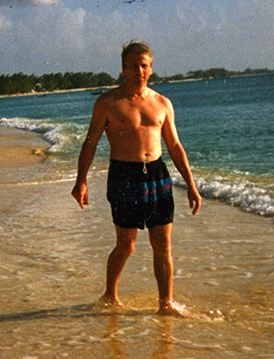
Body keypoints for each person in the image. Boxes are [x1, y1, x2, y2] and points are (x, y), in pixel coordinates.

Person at [71, 41, 202, 315]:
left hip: (157, 175)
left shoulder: (163, 103)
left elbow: (175, 147)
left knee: (162, 245)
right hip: (124, 175)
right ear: (123, 69)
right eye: (132, 66)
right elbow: (91, 142)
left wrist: (191, 184)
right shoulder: (107, 102)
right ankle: (110, 294)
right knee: (126, 245)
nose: (138, 71)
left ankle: (165, 302)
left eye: (143, 65)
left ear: (151, 69)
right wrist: (80, 179)